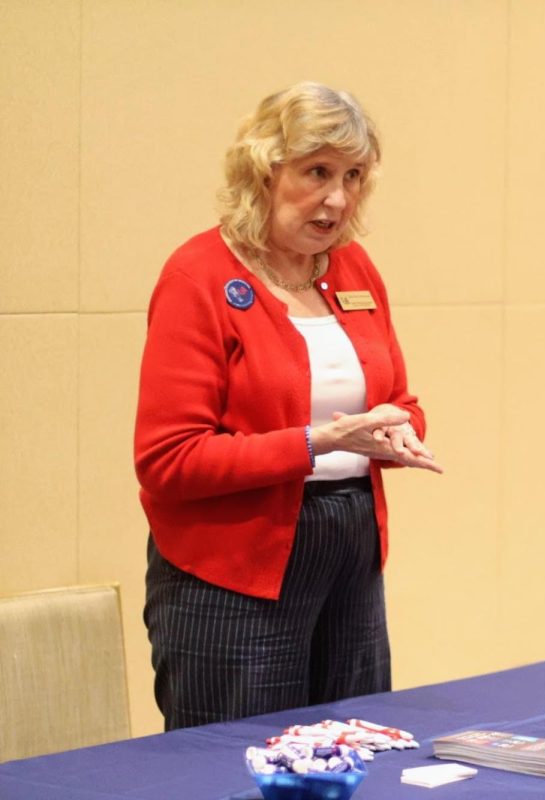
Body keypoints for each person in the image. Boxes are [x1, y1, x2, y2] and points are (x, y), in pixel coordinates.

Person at [135, 81, 443, 731]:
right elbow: (169, 460)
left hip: (350, 553)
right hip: (232, 570)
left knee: (350, 753)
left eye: (354, 175)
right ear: (263, 172)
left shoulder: (353, 269)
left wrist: (402, 431)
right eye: (317, 173)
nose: (338, 197)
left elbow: (396, 399)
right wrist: (316, 443)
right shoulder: (200, 277)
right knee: (236, 768)